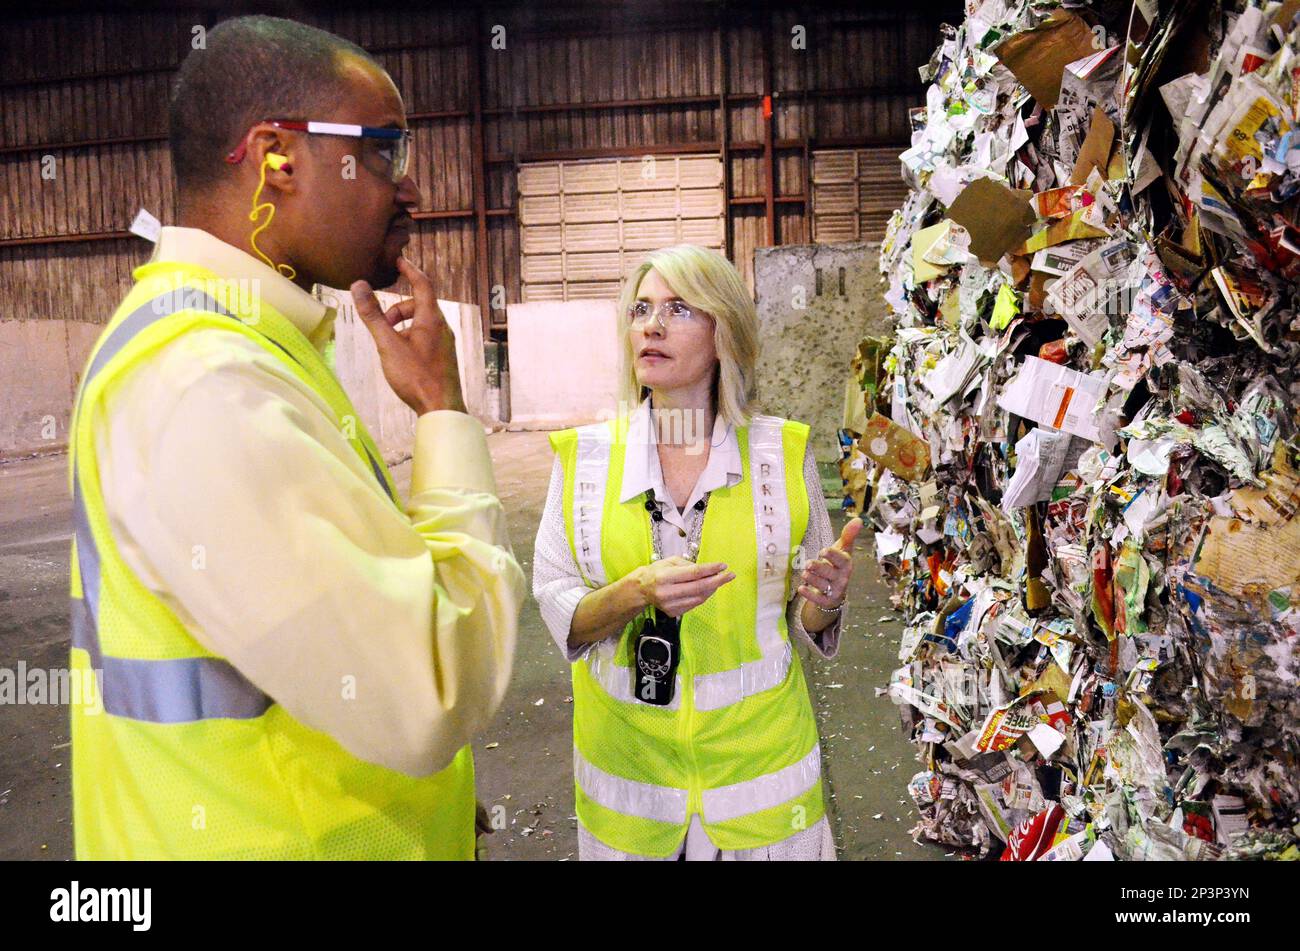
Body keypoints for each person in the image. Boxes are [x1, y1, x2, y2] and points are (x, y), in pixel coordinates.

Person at [67, 15, 524, 859]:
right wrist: (446, 421)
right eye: (384, 150)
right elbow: (432, 686)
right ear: (274, 155)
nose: (411, 188)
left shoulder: (246, 348)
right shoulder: (205, 384)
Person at [533, 244, 862, 860]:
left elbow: (804, 618)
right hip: (631, 783)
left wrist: (824, 601)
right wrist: (636, 593)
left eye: (679, 309)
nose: (652, 326)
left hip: (760, 783)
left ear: (724, 334)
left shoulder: (781, 456)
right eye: (641, 309)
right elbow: (559, 609)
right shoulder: (583, 460)